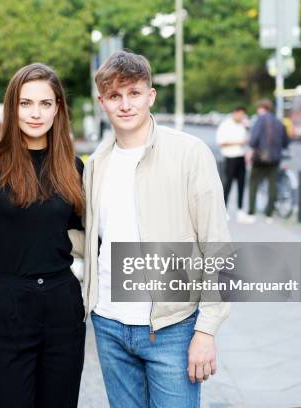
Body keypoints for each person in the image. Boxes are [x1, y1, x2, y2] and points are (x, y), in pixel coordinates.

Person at [81, 50, 230, 408]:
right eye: (115, 96)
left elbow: (218, 245)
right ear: (102, 102)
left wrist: (206, 329)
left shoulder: (190, 153)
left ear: (151, 95)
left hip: (173, 327)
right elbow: (91, 240)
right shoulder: (96, 163)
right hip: (109, 325)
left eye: (134, 93)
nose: (125, 104)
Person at [0, 63, 86, 408]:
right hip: (5, 305)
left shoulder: (73, 166)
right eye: (25, 103)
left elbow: (85, 234)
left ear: (58, 108)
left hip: (62, 306)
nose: (35, 113)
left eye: (45, 104)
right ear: (12, 107)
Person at [244, 99, 289, 223]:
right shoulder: (279, 121)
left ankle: (251, 213)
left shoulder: (260, 120)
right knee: (272, 185)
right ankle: (269, 214)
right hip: (275, 159)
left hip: (260, 158)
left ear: (260, 108)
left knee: (253, 184)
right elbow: (286, 142)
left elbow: (253, 140)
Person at [216, 106, 249, 222]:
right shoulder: (225, 125)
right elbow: (221, 142)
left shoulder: (242, 126)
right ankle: (223, 210)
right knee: (227, 185)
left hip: (241, 157)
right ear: (235, 113)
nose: (242, 117)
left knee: (241, 185)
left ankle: (240, 210)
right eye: (240, 114)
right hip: (229, 157)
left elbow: (245, 140)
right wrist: (237, 143)